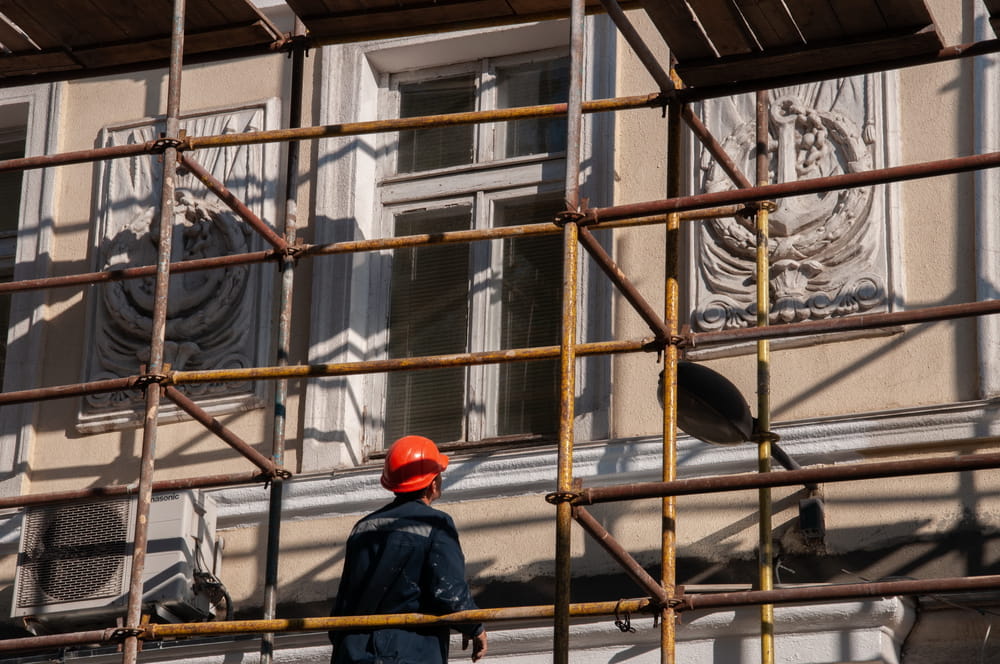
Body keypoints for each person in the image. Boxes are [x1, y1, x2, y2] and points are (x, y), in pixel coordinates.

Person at [330, 435, 488, 663]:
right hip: (408, 652)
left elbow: (346, 597)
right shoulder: (435, 524)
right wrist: (474, 627)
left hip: (353, 651)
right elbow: (448, 591)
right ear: (433, 483)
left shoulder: (363, 527)